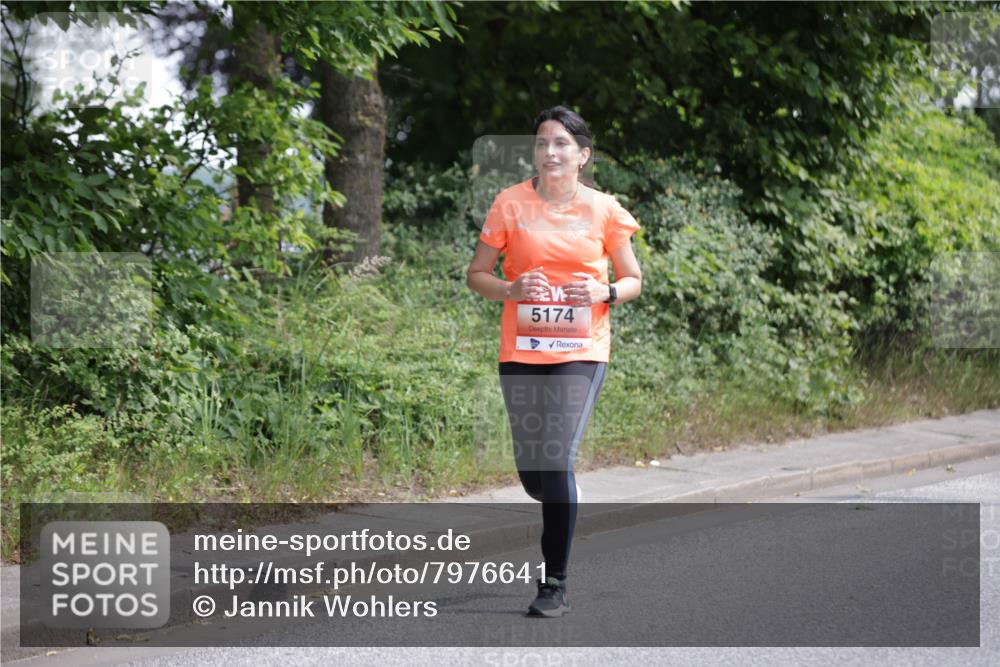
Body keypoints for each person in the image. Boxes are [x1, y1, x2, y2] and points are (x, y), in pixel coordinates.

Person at [466, 106, 643, 617]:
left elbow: (633, 279)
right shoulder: (510, 203)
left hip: (583, 349)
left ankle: (554, 583)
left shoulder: (605, 209)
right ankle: (560, 491)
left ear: (582, 156)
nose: (550, 151)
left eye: (562, 143)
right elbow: (477, 273)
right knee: (533, 474)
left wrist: (602, 290)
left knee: (557, 457)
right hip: (521, 348)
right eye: (543, 142)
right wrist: (510, 287)